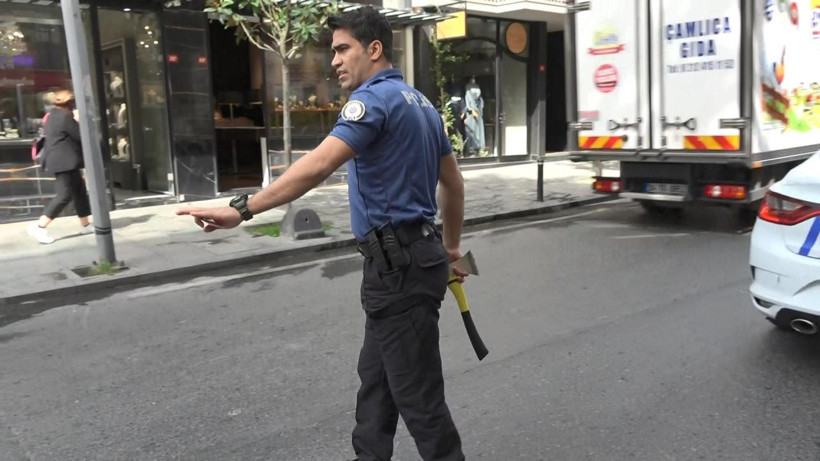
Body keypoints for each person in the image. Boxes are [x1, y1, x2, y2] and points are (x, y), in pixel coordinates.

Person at [177, 7, 468, 460]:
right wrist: (450, 248)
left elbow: (318, 164)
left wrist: (243, 208)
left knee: (420, 400)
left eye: (342, 49)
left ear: (374, 49)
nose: (334, 61)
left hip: (398, 270)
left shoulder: (372, 102)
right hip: (414, 261)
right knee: (376, 389)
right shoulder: (422, 104)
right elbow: (453, 184)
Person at [28, 89, 92, 244]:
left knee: (79, 191)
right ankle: (40, 226)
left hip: (61, 160)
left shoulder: (52, 115)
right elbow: (80, 136)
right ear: (69, 103)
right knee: (64, 195)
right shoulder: (65, 116)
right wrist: (79, 120)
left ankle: (86, 225)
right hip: (65, 162)